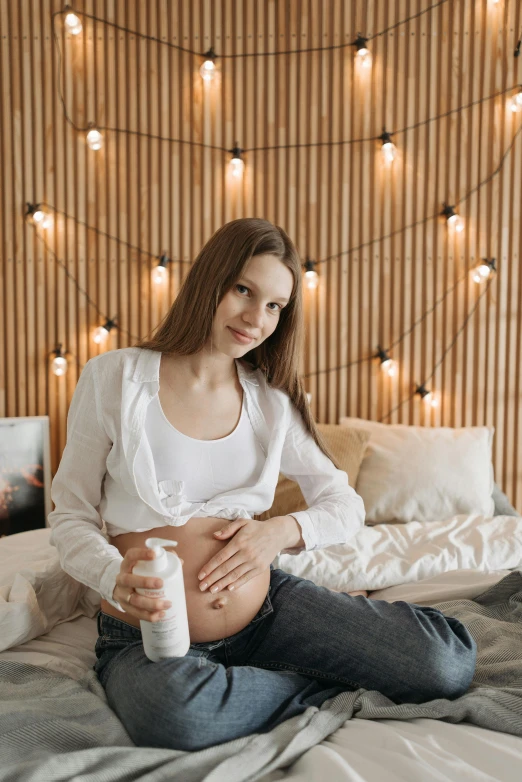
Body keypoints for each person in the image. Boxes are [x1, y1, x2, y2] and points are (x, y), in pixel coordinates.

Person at [48, 218, 477, 752]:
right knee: (178, 719)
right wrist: (114, 577)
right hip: (147, 635)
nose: (256, 318)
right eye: (244, 291)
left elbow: (344, 504)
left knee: (446, 662)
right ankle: (312, 682)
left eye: (275, 305)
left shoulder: (271, 400)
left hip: (267, 612)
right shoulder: (114, 377)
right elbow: (70, 515)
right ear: (211, 281)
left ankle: (275, 674)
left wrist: (278, 533)